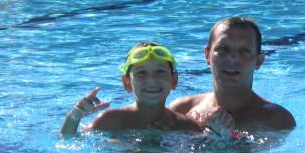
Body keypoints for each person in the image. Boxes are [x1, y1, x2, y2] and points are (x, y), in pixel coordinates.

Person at [59, 41, 232, 138]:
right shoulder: (111, 120)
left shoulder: (185, 125)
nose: (152, 80)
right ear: (127, 83)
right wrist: (74, 117)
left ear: (174, 80)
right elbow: (68, 141)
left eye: (160, 72)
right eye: (141, 74)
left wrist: (218, 135)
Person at [169, 17, 296, 130]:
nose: (232, 59)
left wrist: (219, 139)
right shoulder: (181, 110)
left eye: (244, 50)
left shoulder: (276, 120)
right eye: (223, 49)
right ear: (207, 55)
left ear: (259, 60)